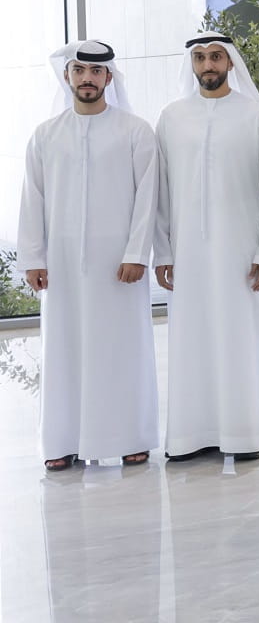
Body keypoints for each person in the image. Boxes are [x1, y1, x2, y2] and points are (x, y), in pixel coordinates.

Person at [20, 41, 160, 471]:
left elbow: (147, 198)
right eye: (79, 71)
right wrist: (33, 259)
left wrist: (138, 252)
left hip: (119, 266)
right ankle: (62, 441)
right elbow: (33, 200)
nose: (86, 79)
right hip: (62, 265)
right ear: (68, 77)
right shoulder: (46, 134)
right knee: (65, 350)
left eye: (95, 72)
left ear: (108, 78)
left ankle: (130, 436)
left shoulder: (135, 131)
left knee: (122, 349)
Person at [152, 33, 259, 463]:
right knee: (190, 340)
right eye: (201, 58)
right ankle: (189, 436)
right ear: (192, 65)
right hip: (187, 251)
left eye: (216, 57)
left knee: (242, 338)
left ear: (230, 63)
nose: (208, 64)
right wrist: (163, 251)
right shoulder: (172, 117)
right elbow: (162, 191)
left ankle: (245, 436)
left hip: (241, 250)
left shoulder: (256, 116)